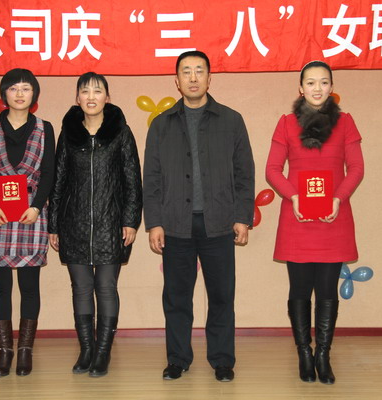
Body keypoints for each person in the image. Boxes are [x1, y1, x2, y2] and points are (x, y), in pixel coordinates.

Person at [143, 51, 255, 382]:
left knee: (221, 295)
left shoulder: (231, 120)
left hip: (219, 222)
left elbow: (244, 173)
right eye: (186, 72)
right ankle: (177, 358)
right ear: (176, 81)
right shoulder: (161, 124)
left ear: (209, 78)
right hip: (175, 223)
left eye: (199, 71)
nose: (193, 77)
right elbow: (151, 178)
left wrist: (242, 216)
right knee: (177, 298)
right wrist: (155, 222)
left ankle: (222, 359)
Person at [265, 61, 364, 384]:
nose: (317, 88)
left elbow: (356, 168)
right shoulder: (286, 123)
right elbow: (272, 170)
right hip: (297, 218)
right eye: (310, 83)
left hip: (334, 217)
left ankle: (323, 353)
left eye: (323, 82)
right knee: (299, 289)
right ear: (301, 88)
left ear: (331, 87)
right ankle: (304, 354)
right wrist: (293, 197)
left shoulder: (346, 123)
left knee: (326, 290)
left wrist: (338, 198)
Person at [48, 72, 142, 377]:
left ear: (107, 98)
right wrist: (53, 225)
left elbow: (132, 181)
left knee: (106, 287)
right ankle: (86, 350)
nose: (91, 97)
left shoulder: (121, 133)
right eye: (85, 91)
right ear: (77, 98)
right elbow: (58, 181)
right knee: (80, 288)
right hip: (73, 223)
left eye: (97, 91)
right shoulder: (68, 133)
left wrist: (130, 220)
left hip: (110, 223)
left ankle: (103, 352)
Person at [0, 68, 55, 377]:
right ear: (4, 94)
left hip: (30, 214)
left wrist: (36, 207)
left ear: (34, 94)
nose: (20, 94)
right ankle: (5, 350)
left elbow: (49, 173)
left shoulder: (45, 128)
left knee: (30, 286)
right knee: (0, 287)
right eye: (13, 88)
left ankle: (25, 351)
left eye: (26, 88)